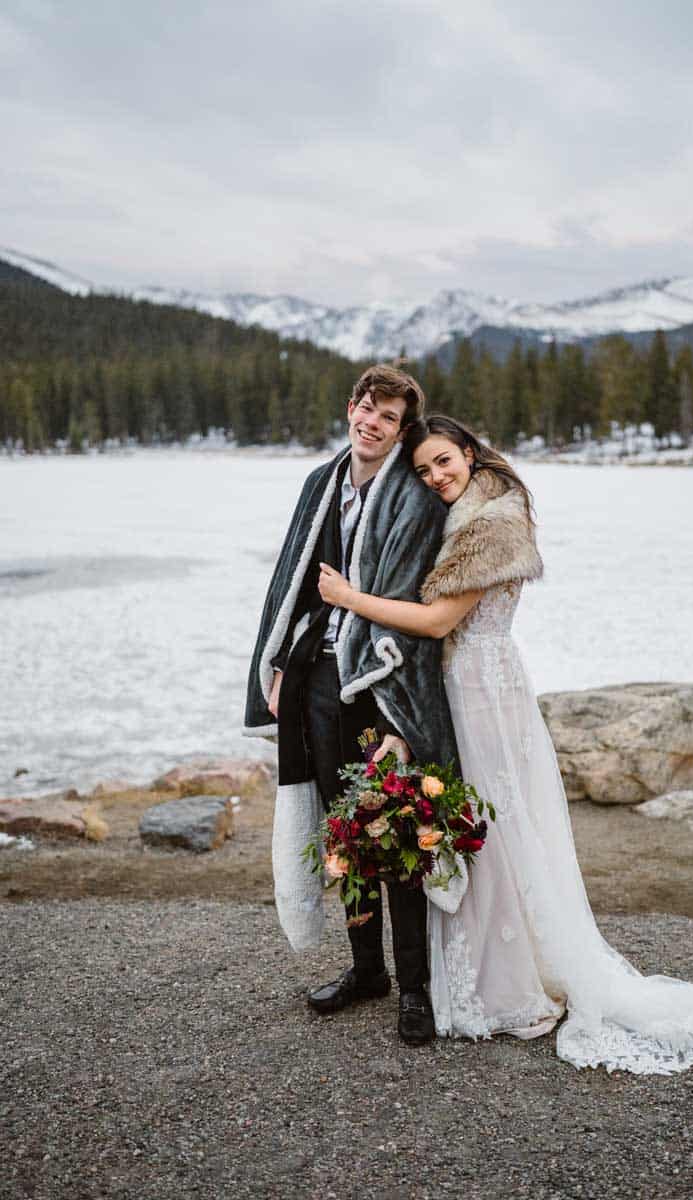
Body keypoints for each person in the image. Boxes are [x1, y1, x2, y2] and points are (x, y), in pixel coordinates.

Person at [317, 413, 693, 1074]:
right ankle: (482, 968)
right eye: (424, 470)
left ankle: (505, 981)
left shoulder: (493, 524)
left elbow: (436, 621)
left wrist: (349, 597)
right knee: (486, 826)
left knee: (491, 827)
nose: (435, 477)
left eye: (443, 462)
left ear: (469, 453)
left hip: (482, 692)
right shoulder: (462, 517)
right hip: (465, 687)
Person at [243, 366, 460, 1046]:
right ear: (350, 409)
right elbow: (292, 583)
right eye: (367, 409)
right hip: (318, 676)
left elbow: (416, 609)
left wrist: (397, 717)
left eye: (388, 417)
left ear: (402, 429)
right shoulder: (322, 482)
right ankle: (368, 971)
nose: (373, 423)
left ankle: (415, 988)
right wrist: (281, 661)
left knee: (395, 832)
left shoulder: (413, 499)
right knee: (345, 832)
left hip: (380, 683)